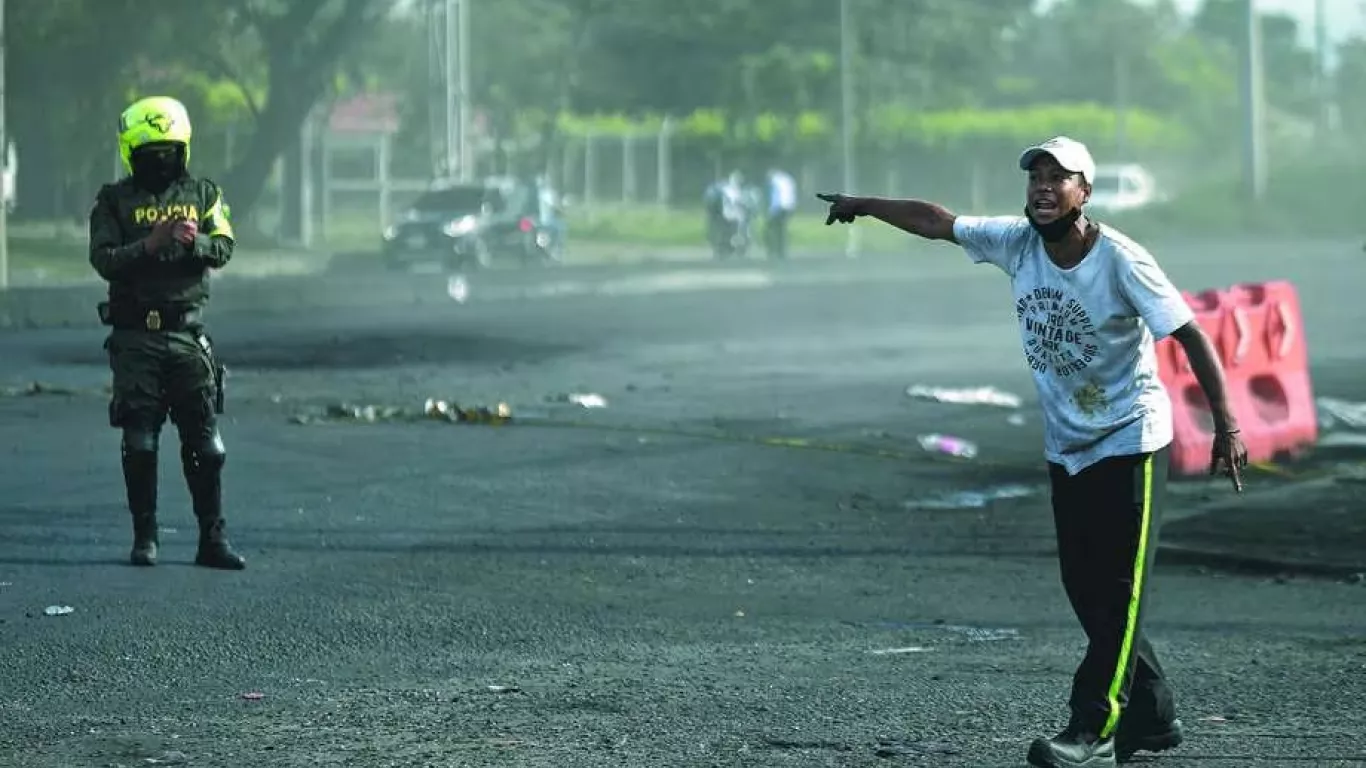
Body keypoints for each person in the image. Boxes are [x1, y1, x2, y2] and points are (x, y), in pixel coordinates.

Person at [819, 135, 1248, 768]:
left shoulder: (1122, 261)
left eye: (1059, 178)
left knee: (1122, 592)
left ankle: (1092, 730)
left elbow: (1189, 335)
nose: (1043, 187)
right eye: (1035, 178)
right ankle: (1152, 715)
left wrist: (1227, 425)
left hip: (1131, 437)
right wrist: (864, 203)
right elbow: (937, 221)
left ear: (1085, 192)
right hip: (1068, 443)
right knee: (1088, 590)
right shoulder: (1017, 242)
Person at [88, 95, 246, 571]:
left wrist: (192, 241)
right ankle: (146, 537)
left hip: (186, 336)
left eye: (169, 151)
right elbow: (103, 260)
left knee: (206, 445)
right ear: (131, 153)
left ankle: (211, 540)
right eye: (150, 152)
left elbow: (224, 245)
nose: (161, 161)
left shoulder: (204, 194)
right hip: (135, 338)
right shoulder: (112, 201)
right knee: (139, 441)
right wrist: (149, 244)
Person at [764, 167, 798, 260]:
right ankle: (782, 251)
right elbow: (792, 194)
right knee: (782, 230)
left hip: (778, 208)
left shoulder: (774, 181)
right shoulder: (788, 179)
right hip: (788, 207)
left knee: (772, 230)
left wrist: (771, 211)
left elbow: (775, 197)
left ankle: (773, 250)